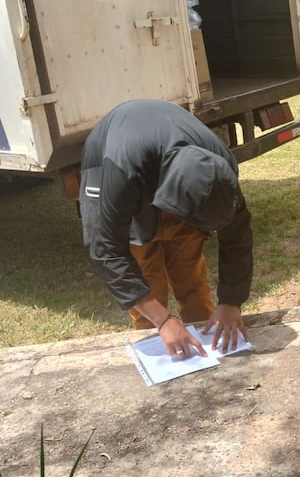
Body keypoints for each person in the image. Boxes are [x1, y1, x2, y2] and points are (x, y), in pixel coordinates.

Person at [79, 99, 253, 358]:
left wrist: (231, 301)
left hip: (163, 162)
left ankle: (201, 340)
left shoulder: (220, 168)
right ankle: (158, 338)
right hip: (113, 161)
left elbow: (237, 233)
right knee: (147, 274)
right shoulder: (120, 174)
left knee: (189, 270)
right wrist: (162, 320)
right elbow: (107, 251)